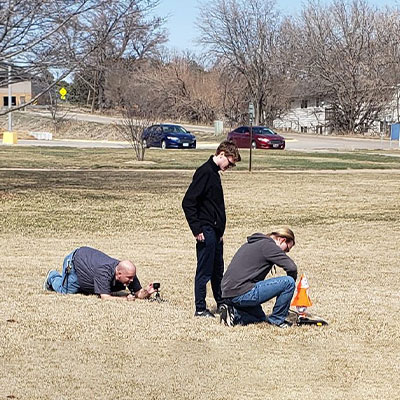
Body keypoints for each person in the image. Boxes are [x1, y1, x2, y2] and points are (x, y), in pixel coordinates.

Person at [182, 140, 241, 318]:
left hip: (215, 232)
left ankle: (221, 302)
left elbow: (214, 206)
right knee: (204, 270)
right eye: (230, 163)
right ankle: (200, 308)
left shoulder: (214, 174)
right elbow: (188, 202)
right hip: (206, 230)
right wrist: (197, 229)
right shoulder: (205, 172)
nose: (229, 167)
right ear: (221, 154)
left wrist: (220, 232)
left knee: (217, 270)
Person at [219, 228, 298, 328]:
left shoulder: (255, 243)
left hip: (228, 293)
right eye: (287, 249)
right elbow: (292, 267)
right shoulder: (269, 246)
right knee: (288, 282)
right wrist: (292, 285)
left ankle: (233, 314)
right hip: (242, 291)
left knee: (260, 319)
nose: (285, 253)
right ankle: (277, 320)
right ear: (281, 240)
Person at [43, 246, 156, 300]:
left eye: (132, 277)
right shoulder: (104, 272)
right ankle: (52, 277)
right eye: (129, 278)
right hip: (75, 263)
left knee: (85, 291)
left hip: (89, 267)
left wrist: (147, 291)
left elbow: (138, 293)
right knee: (67, 291)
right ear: (119, 274)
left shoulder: (128, 272)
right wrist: (125, 299)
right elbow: (105, 297)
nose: (132, 280)